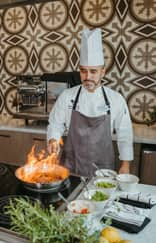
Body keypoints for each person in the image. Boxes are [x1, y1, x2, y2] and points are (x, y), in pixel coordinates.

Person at [47, 28, 133, 177]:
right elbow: (55, 123)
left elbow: (124, 134)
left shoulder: (116, 99)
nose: (87, 77)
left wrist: (125, 165)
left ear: (103, 71)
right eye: (83, 71)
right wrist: (53, 139)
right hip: (69, 166)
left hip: (103, 169)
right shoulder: (67, 96)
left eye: (93, 71)